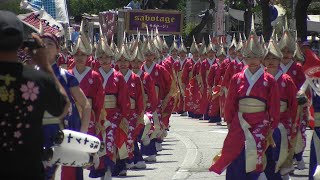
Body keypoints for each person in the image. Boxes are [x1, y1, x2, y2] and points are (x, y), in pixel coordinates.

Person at [0, 10, 69, 179]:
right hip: (28, 171)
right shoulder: (37, 79)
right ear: (21, 43)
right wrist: (45, 66)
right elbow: (63, 106)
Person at [209, 20, 280, 179]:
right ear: (244, 58)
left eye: (255, 56)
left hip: (260, 122)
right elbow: (231, 102)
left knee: (255, 153)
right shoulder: (237, 78)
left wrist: (272, 125)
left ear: (261, 57)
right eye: (249, 56)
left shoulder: (269, 80)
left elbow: (273, 105)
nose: (252, 59)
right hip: (239, 121)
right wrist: (229, 120)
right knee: (234, 151)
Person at [40, 32, 92, 180]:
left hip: (65, 129)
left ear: (58, 50)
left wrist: (83, 133)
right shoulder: (31, 75)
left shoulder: (66, 76)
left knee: (70, 173)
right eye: (42, 43)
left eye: (50, 43)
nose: (45, 46)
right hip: (40, 130)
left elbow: (85, 105)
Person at [67, 21, 105, 180]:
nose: (79, 57)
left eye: (83, 54)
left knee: (88, 142)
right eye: (77, 54)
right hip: (71, 113)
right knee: (72, 146)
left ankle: (98, 166)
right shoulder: (67, 74)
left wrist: (98, 117)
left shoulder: (95, 76)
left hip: (89, 114)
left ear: (88, 56)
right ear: (73, 56)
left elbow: (99, 99)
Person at [93, 37, 130, 179]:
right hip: (98, 115)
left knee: (110, 141)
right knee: (99, 142)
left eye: (107, 57)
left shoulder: (118, 77)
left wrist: (123, 116)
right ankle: (101, 168)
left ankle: (108, 168)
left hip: (114, 115)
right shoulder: (94, 75)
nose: (104, 60)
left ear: (111, 58)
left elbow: (123, 98)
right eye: (101, 57)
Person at [262, 34, 298, 180]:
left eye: (274, 58)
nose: (271, 61)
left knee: (278, 148)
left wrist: (294, 123)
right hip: (261, 121)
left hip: (282, 122)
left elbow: (294, 104)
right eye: (268, 58)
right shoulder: (259, 78)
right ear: (263, 60)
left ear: (279, 60)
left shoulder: (286, 80)